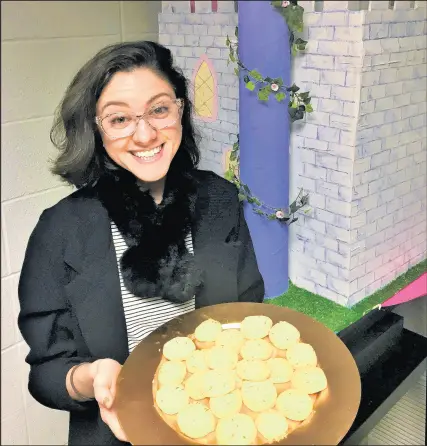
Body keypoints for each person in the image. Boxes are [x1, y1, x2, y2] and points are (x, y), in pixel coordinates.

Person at [17, 41, 264, 445]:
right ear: (95, 129)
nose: (146, 133)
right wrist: (90, 378)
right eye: (119, 119)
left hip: (221, 426)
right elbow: (46, 372)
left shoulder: (220, 200)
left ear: (180, 110)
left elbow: (248, 308)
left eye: (159, 109)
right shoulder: (59, 230)